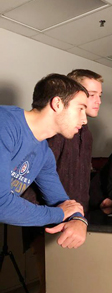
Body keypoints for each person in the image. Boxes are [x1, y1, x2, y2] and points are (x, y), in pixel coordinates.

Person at [22, 69, 103, 293]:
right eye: (88, 97)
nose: (96, 102)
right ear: (63, 99)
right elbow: (29, 189)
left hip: (72, 221)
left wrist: (79, 217)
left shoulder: (85, 135)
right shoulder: (53, 131)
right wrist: (59, 217)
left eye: (98, 96)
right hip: (49, 225)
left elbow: (74, 183)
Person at [0, 73, 89, 233]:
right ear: (57, 104)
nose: (85, 120)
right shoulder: (4, 123)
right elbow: (1, 204)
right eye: (80, 109)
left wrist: (78, 219)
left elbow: (60, 200)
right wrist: (59, 214)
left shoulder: (44, 153)